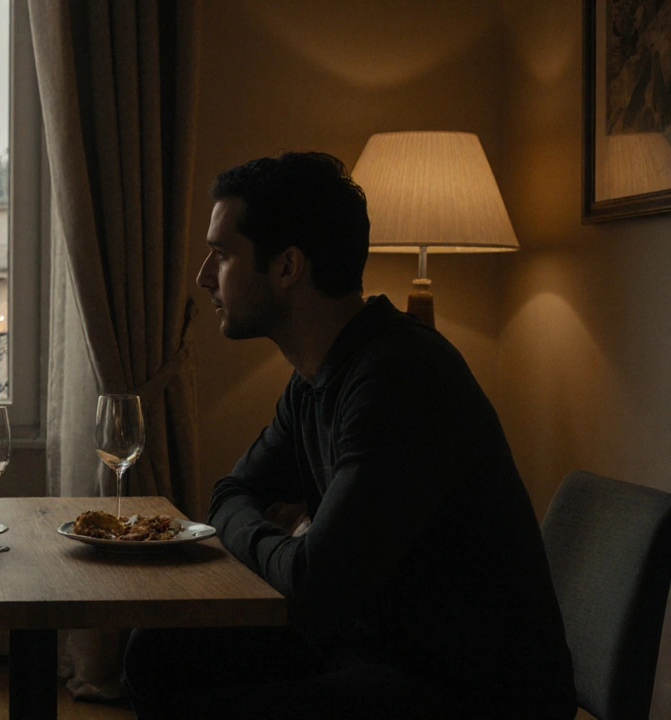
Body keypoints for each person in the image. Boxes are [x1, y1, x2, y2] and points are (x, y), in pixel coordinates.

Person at [123, 153, 576, 719]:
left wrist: (284, 546)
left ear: (288, 266)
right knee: (156, 652)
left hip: (470, 688)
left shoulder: (398, 377)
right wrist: (284, 542)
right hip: (372, 649)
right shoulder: (314, 376)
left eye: (222, 253)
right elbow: (227, 494)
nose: (203, 276)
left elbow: (310, 589)